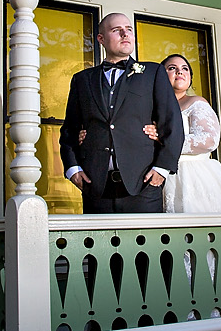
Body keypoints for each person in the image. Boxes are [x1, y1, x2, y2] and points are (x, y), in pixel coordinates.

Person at [59, 13, 184, 213]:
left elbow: (172, 124)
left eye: (129, 29)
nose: (125, 34)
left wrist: (161, 169)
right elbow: (69, 131)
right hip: (95, 186)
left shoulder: (152, 73)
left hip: (143, 185)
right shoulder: (82, 79)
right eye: (117, 30)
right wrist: (73, 168)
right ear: (101, 39)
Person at [158, 53, 221, 214]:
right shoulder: (155, 108)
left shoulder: (196, 103)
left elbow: (208, 140)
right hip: (160, 175)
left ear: (190, 78)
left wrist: (162, 140)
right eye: (172, 68)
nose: (179, 71)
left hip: (192, 176)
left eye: (184, 68)